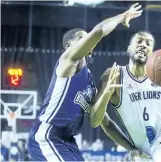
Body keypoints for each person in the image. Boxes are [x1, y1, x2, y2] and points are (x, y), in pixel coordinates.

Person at [27, 3, 143, 161]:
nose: (88, 40)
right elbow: (99, 31)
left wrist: (131, 148)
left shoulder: (90, 84)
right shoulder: (67, 61)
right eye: (82, 38)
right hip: (47, 136)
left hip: (68, 142)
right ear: (69, 46)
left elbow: (103, 123)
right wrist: (121, 17)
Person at [90, 31, 161, 161]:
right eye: (139, 41)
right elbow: (95, 121)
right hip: (141, 153)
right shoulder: (114, 76)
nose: (143, 45)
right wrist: (106, 95)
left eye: (148, 43)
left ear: (153, 53)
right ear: (129, 48)